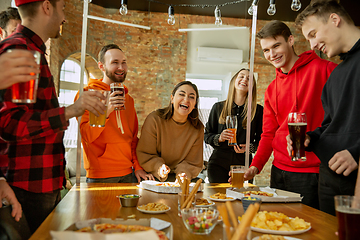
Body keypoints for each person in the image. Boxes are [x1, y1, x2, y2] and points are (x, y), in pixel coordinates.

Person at [0, 0, 107, 233]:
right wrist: (70, 111)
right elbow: (11, 124)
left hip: (42, 184)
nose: (65, 18)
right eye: (64, 9)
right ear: (47, 7)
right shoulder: (22, 49)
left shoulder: (33, 50)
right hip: (27, 187)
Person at [243, 20, 337, 209]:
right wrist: (256, 165)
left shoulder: (324, 69)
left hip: (313, 172)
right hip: (278, 171)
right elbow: (268, 134)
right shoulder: (271, 89)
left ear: (291, 40)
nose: (272, 54)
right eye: (266, 50)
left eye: (276, 46)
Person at [292, 0, 360, 215]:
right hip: (329, 179)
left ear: (334, 19)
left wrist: (356, 154)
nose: (312, 46)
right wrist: (310, 138)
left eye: (313, 34)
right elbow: (331, 125)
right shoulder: (336, 75)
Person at [75, 44, 153, 183]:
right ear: (101, 66)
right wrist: (105, 112)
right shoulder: (87, 95)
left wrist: (138, 166)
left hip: (129, 173)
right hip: (99, 175)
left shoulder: (128, 99)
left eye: (124, 62)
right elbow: (87, 136)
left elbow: (133, 139)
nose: (121, 68)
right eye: (115, 63)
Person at [137, 81, 204, 182]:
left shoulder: (198, 128)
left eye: (191, 97)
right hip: (154, 175)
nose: (186, 99)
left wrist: (183, 173)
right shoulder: (155, 119)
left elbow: (192, 162)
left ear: (195, 104)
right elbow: (145, 153)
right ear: (172, 99)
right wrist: (159, 168)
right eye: (181, 94)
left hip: (182, 178)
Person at [204, 69, 263, 183]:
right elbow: (207, 136)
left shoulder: (258, 111)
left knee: (240, 199)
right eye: (241, 76)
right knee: (217, 199)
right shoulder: (218, 107)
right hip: (217, 164)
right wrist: (219, 138)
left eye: (249, 78)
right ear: (233, 81)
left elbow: (263, 140)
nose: (245, 79)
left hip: (243, 166)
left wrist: (249, 148)